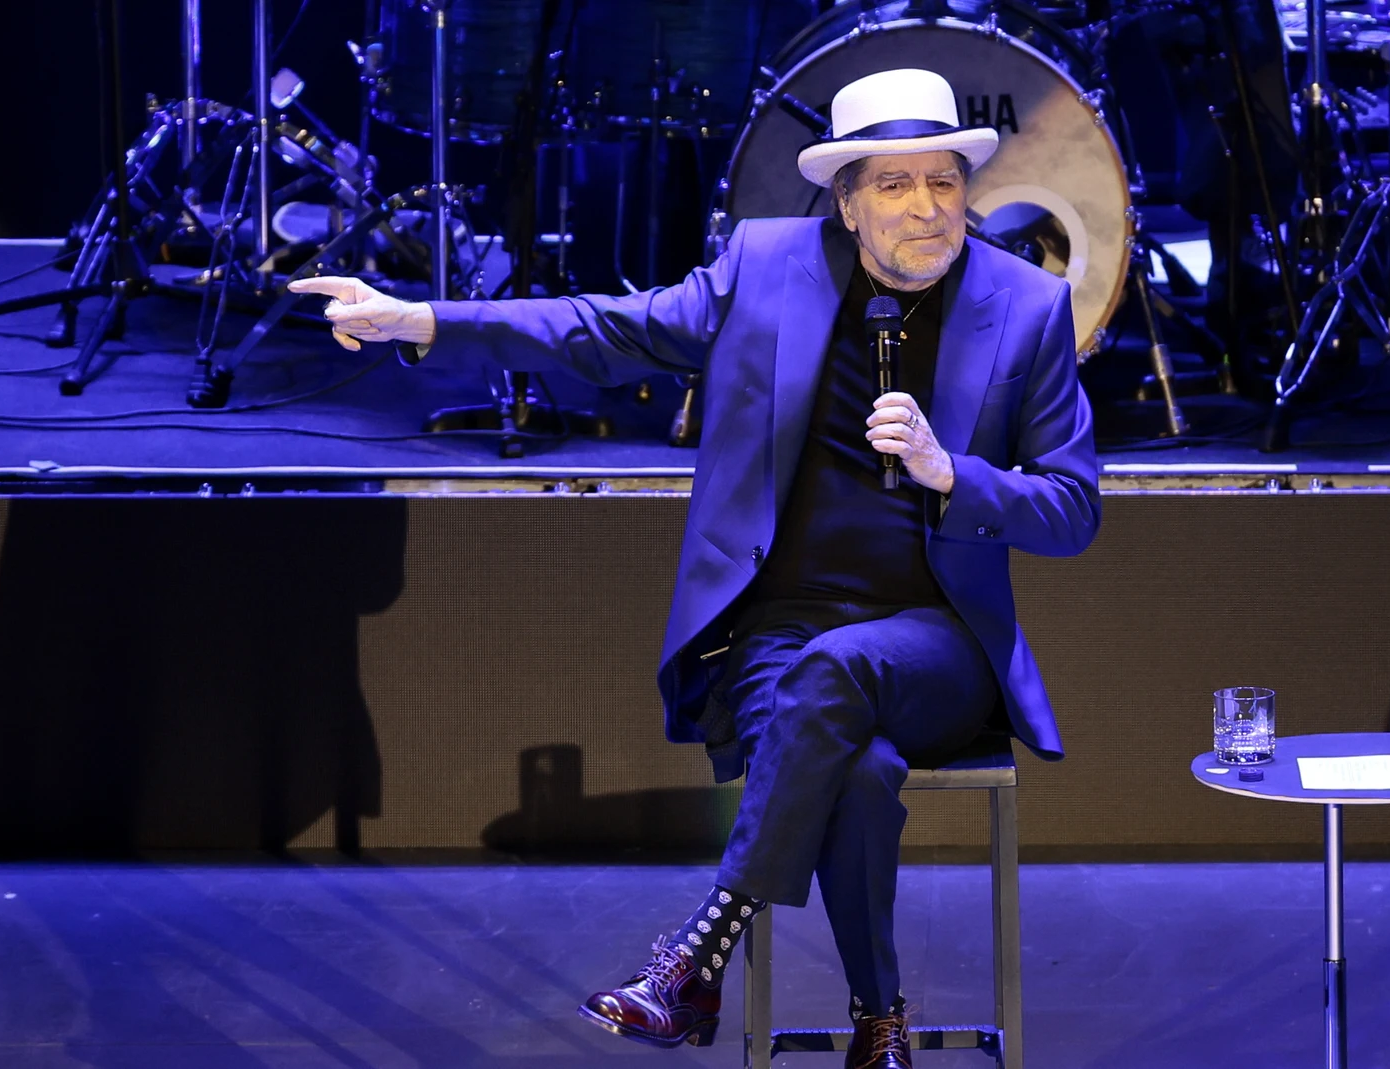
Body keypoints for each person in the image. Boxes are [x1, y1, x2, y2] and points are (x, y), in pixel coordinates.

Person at [290, 68, 1099, 1069]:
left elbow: (1072, 511)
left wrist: (951, 473)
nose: (927, 210)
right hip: (776, 630)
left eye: (943, 182)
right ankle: (877, 1026)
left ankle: (695, 961)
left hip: (933, 644)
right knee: (857, 764)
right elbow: (603, 330)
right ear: (846, 202)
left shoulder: (1023, 307)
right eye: (894, 186)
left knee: (840, 673)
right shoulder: (765, 266)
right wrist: (424, 322)